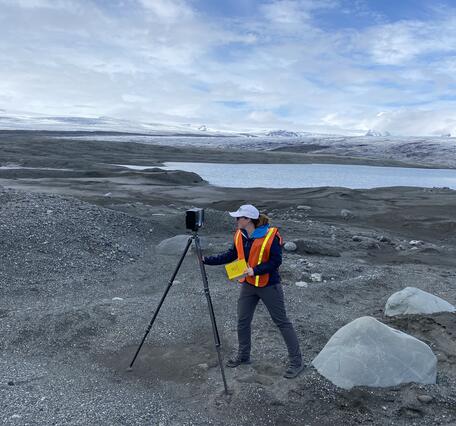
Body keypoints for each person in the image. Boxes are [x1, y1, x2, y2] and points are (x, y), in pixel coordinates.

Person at [203, 204, 304, 379]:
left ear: (248, 219)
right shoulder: (240, 235)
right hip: (248, 285)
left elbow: (275, 262)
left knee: (282, 322)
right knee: (243, 321)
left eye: (239, 218)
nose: (236, 220)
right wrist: (206, 260)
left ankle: (297, 362)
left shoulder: (270, 236)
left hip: (269, 285)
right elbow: (230, 255)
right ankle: (243, 356)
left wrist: (255, 270)